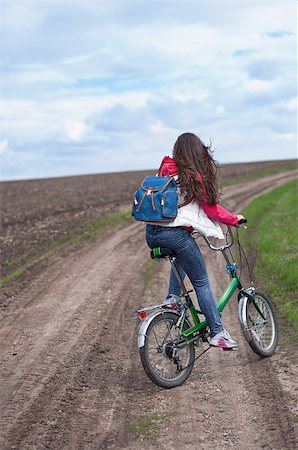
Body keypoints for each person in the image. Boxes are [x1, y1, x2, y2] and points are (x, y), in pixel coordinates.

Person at [145, 132, 245, 349]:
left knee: (181, 256)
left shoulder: (165, 172)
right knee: (201, 281)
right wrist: (233, 220)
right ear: (197, 152)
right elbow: (211, 209)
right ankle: (217, 332)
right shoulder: (192, 176)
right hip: (174, 235)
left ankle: (172, 300)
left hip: (152, 234)